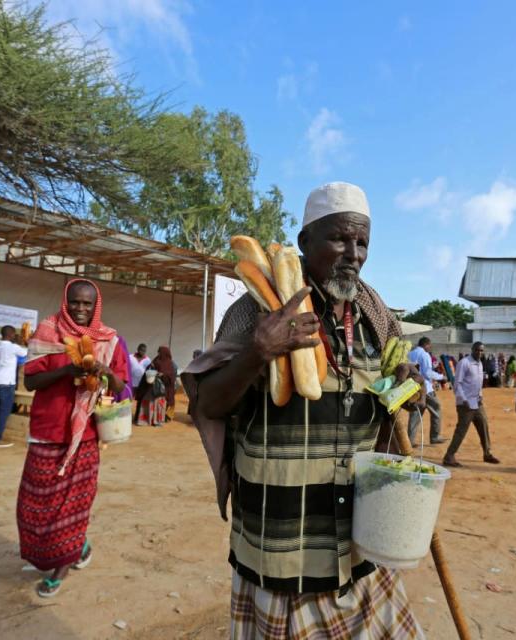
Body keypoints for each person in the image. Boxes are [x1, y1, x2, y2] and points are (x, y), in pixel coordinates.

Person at [181, 182, 422, 638]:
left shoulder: (376, 316)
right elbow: (208, 404)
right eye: (339, 239)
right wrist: (258, 353)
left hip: (358, 543)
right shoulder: (257, 310)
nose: (353, 253)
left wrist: (408, 388)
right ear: (304, 242)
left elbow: (384, 397)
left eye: (362, 242)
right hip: (281, 545)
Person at [18, 279, 129, 598]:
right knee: (35, 505)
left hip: (87, 437)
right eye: (76, 303)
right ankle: (77, 548)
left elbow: (121, 388)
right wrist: (67, 371)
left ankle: (61, 566)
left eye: (87, 304)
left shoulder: (108, 339)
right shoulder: (47, 331)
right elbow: (31, 380)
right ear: (66, 302)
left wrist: (103, 370)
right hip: (47, 432)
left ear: (97, 305)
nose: (81, 309)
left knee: (72, 506)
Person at [443, 342, 500, 467]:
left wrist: (480, 396)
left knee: (484, 426)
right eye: (477, 350)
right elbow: (457, 384)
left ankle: (487, 453)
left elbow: (477, 383)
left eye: (481, 350)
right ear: (472, 350)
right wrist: (464, 400)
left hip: (477, 403)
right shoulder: (464, 363)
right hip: (465, 404)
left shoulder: (480, 363)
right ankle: (449, 456)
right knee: (461, 431)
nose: (479, 352)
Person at [0, 325, 28, 448]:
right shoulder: (13, 347)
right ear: (11, 335)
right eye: (14, 334)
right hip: (6, 383)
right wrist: (20, 342)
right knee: (4, 411)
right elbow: (27, 352)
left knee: (0, 409)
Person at [408, 337, 445, 445]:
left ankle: (410, 440)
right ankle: (435, 436)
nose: (430, 347)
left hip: (412, 388)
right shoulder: (425, 355)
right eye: (430, 345)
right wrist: (441, 377)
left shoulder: (410, 354)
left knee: (415, 413)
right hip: (426, 389)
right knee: (436, 408)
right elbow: (428, 373)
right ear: (426, 344)